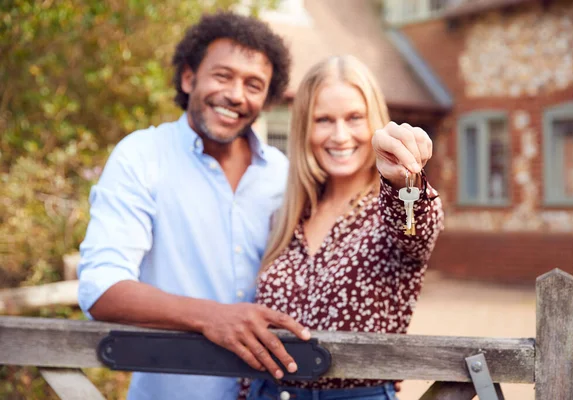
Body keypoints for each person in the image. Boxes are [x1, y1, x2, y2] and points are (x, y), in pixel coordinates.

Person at [77, 12, 311, 400]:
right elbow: (102, 290)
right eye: (223, 76)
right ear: (189, 78)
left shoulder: (283, 176)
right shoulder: (142, 157)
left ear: (266, 99)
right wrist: (212, 316)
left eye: (254, 84)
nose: (236, 95)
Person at [241, 55, 444, 400]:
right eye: (323, 120)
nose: (340, 135)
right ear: (305, 127)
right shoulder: (288, 215)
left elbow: (416, 230)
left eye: (354, 118)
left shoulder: (393, 207)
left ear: (374, 123)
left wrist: (401, 179)